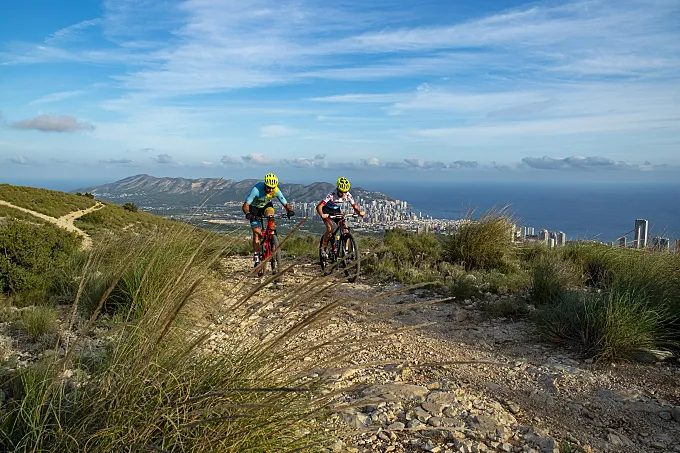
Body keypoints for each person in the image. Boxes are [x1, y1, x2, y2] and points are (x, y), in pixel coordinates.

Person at [242, 173, 295, 268]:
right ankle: (257, 256)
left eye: (272, 188)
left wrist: (289, 210)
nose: (270, 190)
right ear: (265, 185)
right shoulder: (257, 189)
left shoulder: (275, 190)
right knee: (256, 233)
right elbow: (245, 205)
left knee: (271, 216)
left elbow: (285, 204)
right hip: (254, 208)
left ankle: (271, 237)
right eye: (268, 188)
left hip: (266, 206)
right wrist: (248, 214)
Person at [316, 176, 365, 257]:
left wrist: (359, 212)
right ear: (338, 189)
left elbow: (355, 206)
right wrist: (322, 215)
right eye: (341, 192)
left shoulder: (348, 195)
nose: (343, 194)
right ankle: (323, 248)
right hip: (326, 210)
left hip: (336, 210)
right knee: (330, 229)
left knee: (345, 228)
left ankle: (345, 250)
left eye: (345, 192)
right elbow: (319, 206)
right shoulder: (332, 194)